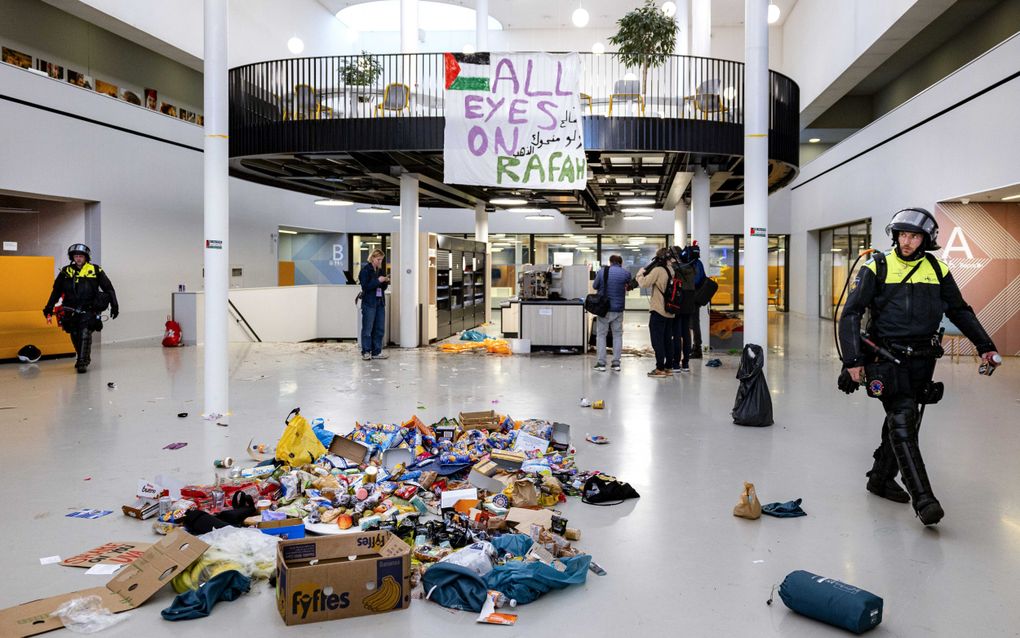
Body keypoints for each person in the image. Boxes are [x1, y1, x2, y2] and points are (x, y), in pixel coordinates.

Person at [838, 207, 1001, 526]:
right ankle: (924, 500)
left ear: (926, 240)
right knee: (902, 417)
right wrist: (853, 361)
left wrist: (985, 346)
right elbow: (851, 313)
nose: (906, 241)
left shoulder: (937, 268)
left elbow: (959, 310)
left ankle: (881, 478)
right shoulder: (878, 266)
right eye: (901, 235)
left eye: (913, 236)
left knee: (904, 422)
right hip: (885, 357)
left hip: (923, 360)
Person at [43, 243, 119, 373]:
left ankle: (82, 361)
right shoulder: (65, 272)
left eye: (81, 256)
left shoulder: (95, 270)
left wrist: (114, 305)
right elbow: (56, 291)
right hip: (70, 309)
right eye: (76, 256)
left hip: (89, 308)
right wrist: (48, 308)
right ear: (72, 257)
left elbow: (108, 288)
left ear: (86, 257)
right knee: (74, 333)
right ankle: (82, 356)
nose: (78, 258)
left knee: (84, 332)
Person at [636, 247, 675, 378]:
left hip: (659, 310)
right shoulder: (671, 270)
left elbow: (644, 283)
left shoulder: (658, 270)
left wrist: (640, 274)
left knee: (657, 341)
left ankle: (659, 368)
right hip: (670, 311)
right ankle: (669, 367)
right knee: (667, 340)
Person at [592, 254, 632, 372]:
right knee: (617, 335)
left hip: (604, 309)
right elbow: (629, 286)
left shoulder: (602, 271)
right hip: (618, 309)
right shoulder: (625, 273)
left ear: (610, 262)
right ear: (621, 263)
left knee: (601, 335)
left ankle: (601, 363)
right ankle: (616, 363)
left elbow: (595, 286)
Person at [666, 247, 697, 373]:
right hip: (690, 302)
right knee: (687, 333)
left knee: (677, 334)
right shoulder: (692, 267)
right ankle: (686, 363)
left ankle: (675, 363)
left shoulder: (675, 267)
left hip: (679, 301)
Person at [358, 249, 390, 361]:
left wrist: (385, 281)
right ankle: (366, 351)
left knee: (379, 328)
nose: (380, 262)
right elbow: (365, 287)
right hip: (369, 303)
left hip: (380, 302)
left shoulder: (380, 270)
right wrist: (378, 281)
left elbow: (383, 287)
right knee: (367, 328)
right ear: (372, 258)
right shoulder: (365, 271)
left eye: (381, 259)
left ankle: (377, 351)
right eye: (378, 259)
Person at [687, 242, 708, 358]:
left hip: (693, 297)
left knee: (693, 324)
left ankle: (696, 349)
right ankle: (694, 348)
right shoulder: (698, 263)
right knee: (694, 323)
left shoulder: (693, 264)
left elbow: (695, 281)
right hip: (696, 297)